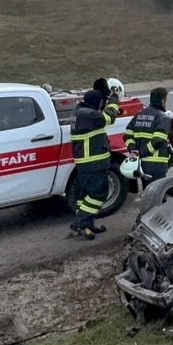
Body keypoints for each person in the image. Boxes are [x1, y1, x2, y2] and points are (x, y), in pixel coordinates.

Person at [69, 88, 121, 240]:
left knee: (85, 196)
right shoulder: (90, 115)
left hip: (86, 162)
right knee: (99, 194)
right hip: (93, 162)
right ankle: (79, 224)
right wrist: (114, 100)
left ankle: (88, 224)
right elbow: (110, 117)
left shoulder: (80, 111)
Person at [125, 87, 173, 182]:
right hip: (157, 164)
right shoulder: (162, 118)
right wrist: (142, 152)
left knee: (147, 192)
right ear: (162, 101)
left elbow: (127, 136)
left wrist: (134, 150)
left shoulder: (139, 115)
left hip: (142, 164)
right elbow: (159, 140)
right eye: (166, 100)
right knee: (157, 194)